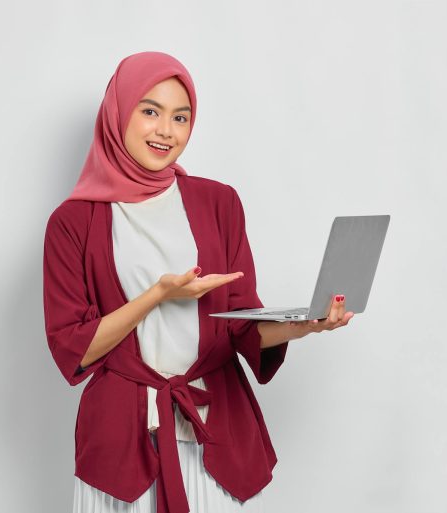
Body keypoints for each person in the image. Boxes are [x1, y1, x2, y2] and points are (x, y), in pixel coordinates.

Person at [43, 51, 354, 513]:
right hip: (125, 450)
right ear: (117, 113)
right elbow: (74, 347)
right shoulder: (73, 222)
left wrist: (304, 324)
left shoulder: (218, 203)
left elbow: (240, 325)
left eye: (181, 117)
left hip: (216, 438)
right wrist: (157, 296)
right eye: (150, 111)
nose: (166, 130)